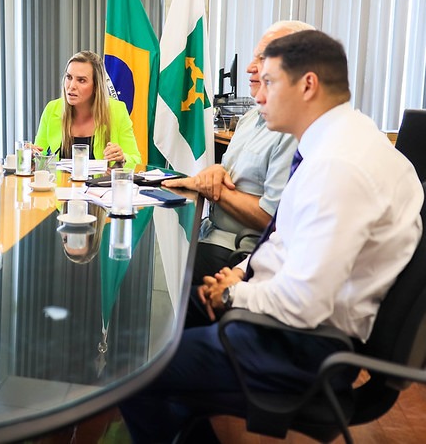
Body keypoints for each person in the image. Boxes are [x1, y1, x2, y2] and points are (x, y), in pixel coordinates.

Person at [119, 30, 423, 442]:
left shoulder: (340, 167)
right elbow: (285, 238)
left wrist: (233, 295)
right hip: (286, 321)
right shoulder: (340, 139)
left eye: (270, 82)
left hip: (296, 347)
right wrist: (243, 273)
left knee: (134, 369)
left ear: (308, 84)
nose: (259, 95)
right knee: (164, 320)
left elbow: (304, 302)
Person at [164, 21, 312, 284]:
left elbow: (271, 218)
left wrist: (210, 188)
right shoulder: (250, 118)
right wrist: (215, 172)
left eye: (263, 58)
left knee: (165, 280)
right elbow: (231, 176)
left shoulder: (292, 129)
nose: (249, 67)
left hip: (240, 251)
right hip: (210, 233)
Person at [32, 51, 141, 168]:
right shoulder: (52, 109)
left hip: (101, 186)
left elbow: (136, 160)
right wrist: (32, 156)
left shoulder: (116, 111)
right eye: (69, 77)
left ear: (96, 86)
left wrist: (123, 158)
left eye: (81, 80)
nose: (71, 86)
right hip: (62, 185)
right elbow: (41, 159)